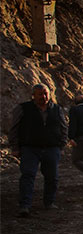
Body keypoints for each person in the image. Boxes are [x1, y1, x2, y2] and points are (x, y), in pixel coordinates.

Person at [9, 83, 68, 216]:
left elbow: (63, 128)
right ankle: (25, 205)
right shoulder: (23, 108)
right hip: (30, 148)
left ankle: (49, 202)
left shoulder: (56, 109)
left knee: (52, 177)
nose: (44, 96)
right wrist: (15, 147)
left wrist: (61, 146)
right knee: (28, 176)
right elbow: (14, 128)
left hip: (51, 148)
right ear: (33, 96)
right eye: (40, 94)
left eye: (46, 93)